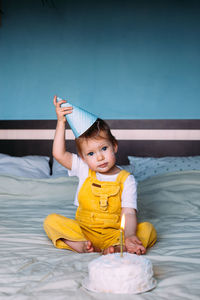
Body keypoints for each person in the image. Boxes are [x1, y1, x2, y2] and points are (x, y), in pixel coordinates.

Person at [43, 96, 157, 255]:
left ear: (114, 146)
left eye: (104, 148)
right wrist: (61, 123)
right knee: (51, 221)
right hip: (84, 232)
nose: (100, 157)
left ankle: (119, 247)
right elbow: (59, 154)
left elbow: (129, 212)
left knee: (148, 229)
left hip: (116, 234)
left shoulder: (127, 180)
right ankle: (81, 245)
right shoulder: (83, 169)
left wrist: (129, 235)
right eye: (91, 153)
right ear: (83, 158)